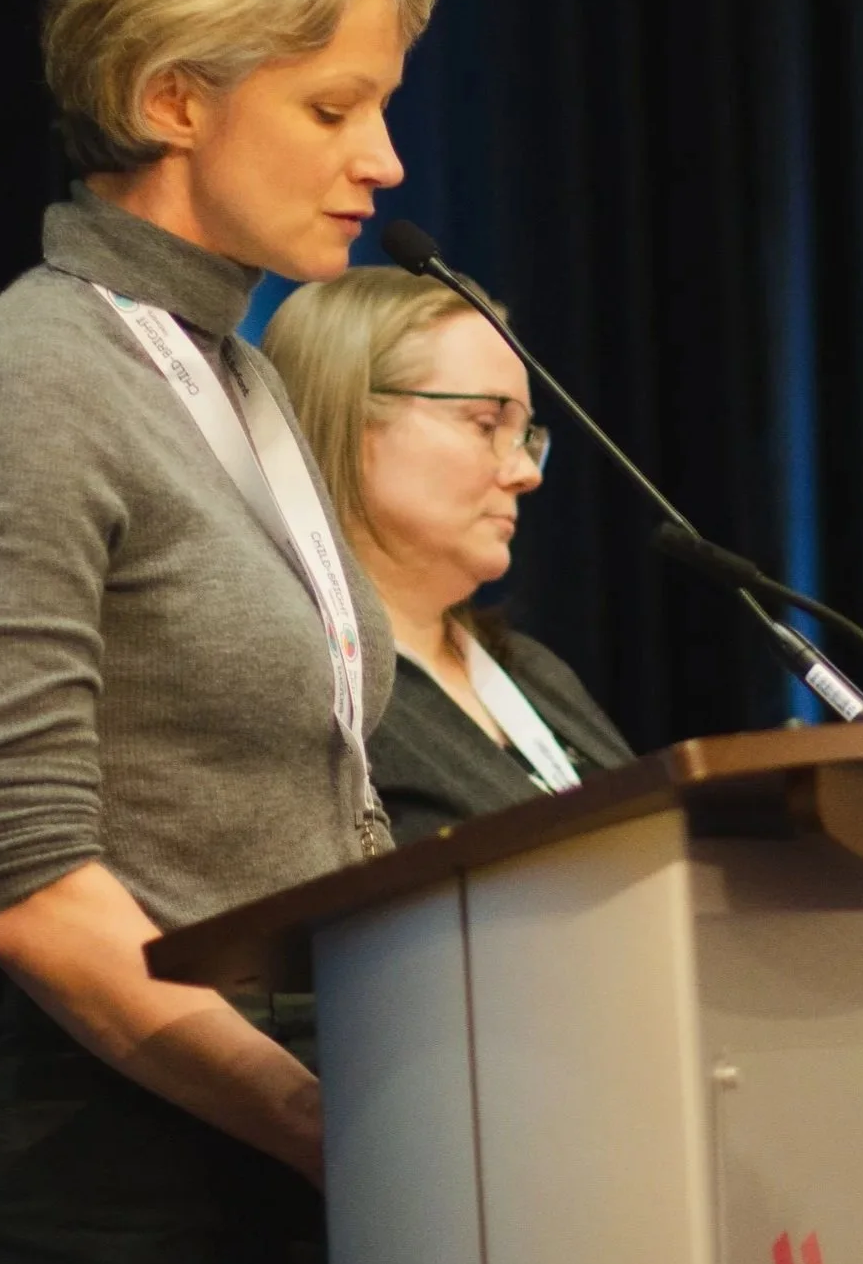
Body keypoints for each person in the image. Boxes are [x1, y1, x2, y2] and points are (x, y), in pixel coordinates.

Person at [0, 0, 436, 1264]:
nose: (383, 160)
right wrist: (320, 1123)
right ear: (171, 99)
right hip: (117, 1223)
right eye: (335, 107)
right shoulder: (29, 376)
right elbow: (17, 877)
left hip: (283, 1174)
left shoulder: (244, 377)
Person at [261, 267, 634, 845]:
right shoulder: (294, 684)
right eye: (487, 424)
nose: (526, 473)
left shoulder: (533, 672)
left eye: (527, 436)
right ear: (348, 418)